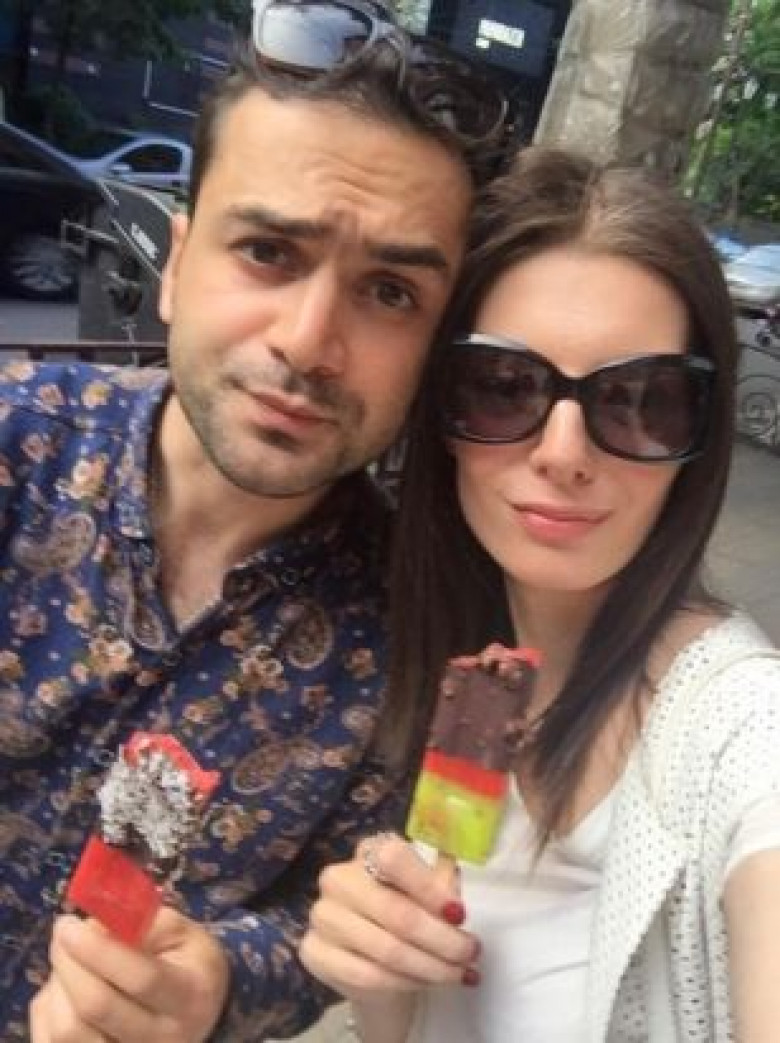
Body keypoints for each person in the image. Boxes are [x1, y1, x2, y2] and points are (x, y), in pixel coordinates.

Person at [0, 3, 511, 1041]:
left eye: (390, 292)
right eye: (269, 250)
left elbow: (331, 910)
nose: (311, 342)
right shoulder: (17, 444)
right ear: (177, 264)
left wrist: (222, 981)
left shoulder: (425, 640)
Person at [299, 146, 780, 1042]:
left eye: (641, 399)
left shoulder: (742, 723)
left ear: (697, 441)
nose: (563, 452)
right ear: (443, 416)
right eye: (503, 388)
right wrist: (385, 979)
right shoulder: (474, 670)